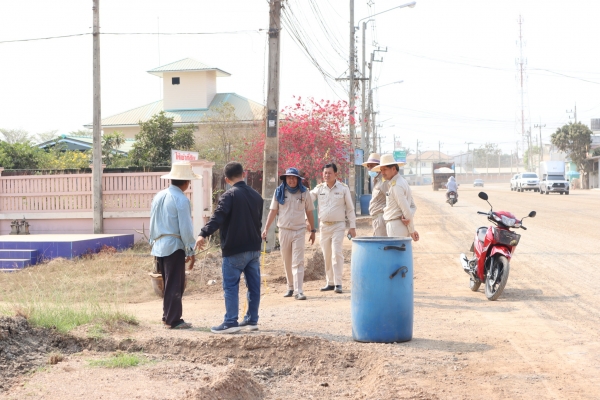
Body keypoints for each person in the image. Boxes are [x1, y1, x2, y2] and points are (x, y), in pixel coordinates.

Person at [195, 162, 263, 334]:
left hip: (234, 249)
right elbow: (258, 222)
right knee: (254, 286)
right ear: (244, 174)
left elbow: (218, 217)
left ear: (226, 179)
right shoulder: (257, 196)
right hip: (254, 248)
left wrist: (203, 233)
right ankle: (252, 320)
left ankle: (231, 321)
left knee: (231, 286)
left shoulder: (229, 195)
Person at [149, 161, 199, 330]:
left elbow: (152, 221)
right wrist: (190, 249)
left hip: (159, 245)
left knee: (169, 282)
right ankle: (174, 319)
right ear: (186, 182)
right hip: (174, 245)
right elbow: (186, 228)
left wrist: (153, 242)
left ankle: (168, 316)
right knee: (175, 283)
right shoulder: (181, 200)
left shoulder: (159, 196)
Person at [262, 167, 316, 300]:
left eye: (294, 178)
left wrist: (313, 230)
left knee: (298, 261)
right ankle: (290, 287)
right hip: (284, 230)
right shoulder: (279, 192)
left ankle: (299, 291)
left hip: (299, 231)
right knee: (287, 260)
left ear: (298, 179)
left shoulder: (305, 193)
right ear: (285, 179)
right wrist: (266, 228)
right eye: (289, 178)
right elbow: (273, 211)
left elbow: (309, 212)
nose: (291, 180)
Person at [309, 163, 356, 294]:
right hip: (324, 227)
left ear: (336, 174)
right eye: (325, 173)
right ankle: (330, 282)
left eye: (329, 173)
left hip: (338, 226)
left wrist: (352, 227)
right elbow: (308, 199)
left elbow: (350, 208)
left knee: (337, 253)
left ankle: (338, 283)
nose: (327, 175)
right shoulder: (319, 189)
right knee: (327, 255)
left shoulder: (343, 188)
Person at [372, 154, 420, 242]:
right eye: (381, 170)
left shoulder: (396, 185)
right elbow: (412, 207)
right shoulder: (402, 182)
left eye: (385, 169)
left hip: (395, 226)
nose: (382, 173)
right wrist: (410, 227)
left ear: (393, 169)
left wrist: (412, 230)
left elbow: (406, 209)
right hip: (400, 226)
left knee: (394, 250)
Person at [362, 153, 388, 236]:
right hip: (376, 218)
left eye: (372, 166)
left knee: (381, 242)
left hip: (381, 217)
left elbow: (391, 199)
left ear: (378, 167)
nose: (370, 168)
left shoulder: (383, 181)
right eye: (368, 166)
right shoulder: (375, 180)